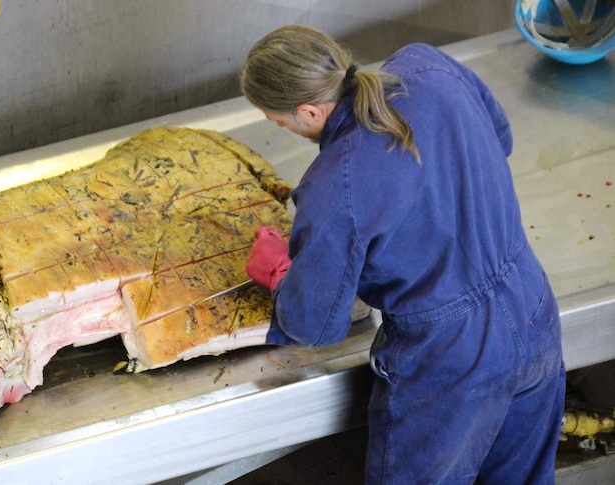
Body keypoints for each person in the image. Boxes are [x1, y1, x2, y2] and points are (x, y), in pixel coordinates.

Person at [241, 25, 565, 484]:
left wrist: (281, 272)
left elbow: (315, 324)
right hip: (532, 305)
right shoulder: (427, 64)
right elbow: (500, 139)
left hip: (448, 357)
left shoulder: (335, 184)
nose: (286, 130)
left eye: (280, 122)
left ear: (308, 111)